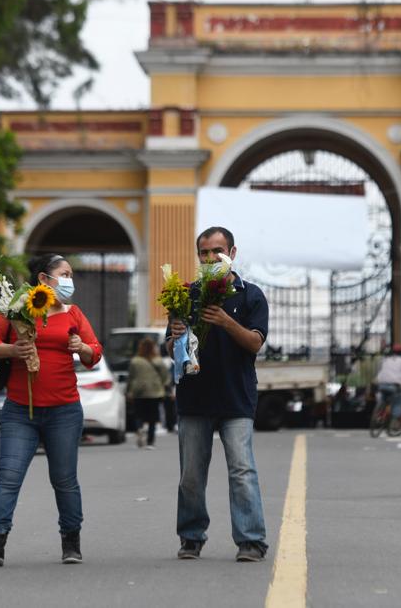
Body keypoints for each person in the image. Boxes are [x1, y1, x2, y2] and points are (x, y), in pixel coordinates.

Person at [0, 254, 103, 567]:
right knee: (8, 476)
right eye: (65, 274)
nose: (70, 280)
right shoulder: (16, 307)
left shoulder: (73, 313)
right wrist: (13, 349)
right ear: (44, 280)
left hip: (64, 411)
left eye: (71, 274)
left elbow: (95, 353)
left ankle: (71, 541)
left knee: (64, 479)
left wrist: (82, 348)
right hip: (20, 411)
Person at [167, 226, 270, 563]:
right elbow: (170, 349)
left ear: (232, 254)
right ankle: (191, 536)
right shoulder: (185, 295)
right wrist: (176, 336)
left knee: (242, 470)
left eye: (217, 251)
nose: (210, 258)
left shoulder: (250, 295)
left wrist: (227, 322)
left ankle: (251, 540)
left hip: (236, 398)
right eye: (204, 253)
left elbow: (255, 343)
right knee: (191, 475)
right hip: (194, 399)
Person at [126, 337, 169, 449]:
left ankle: (140, 429)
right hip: (154, 392)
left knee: (139, 414)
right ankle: (150, 442)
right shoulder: (158, 361)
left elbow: (131, 377)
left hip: (138, 392)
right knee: (152, 418)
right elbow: (165, 377)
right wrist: (163, 385)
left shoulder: (135, 361)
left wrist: (129, 391)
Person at [375, 343, 401, 422]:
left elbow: (379, 371)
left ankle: (380, 414)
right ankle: (395, 419)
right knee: (398, 400)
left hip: (382, 385)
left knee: (382, 399)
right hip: (394, 386)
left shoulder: (385, 359)